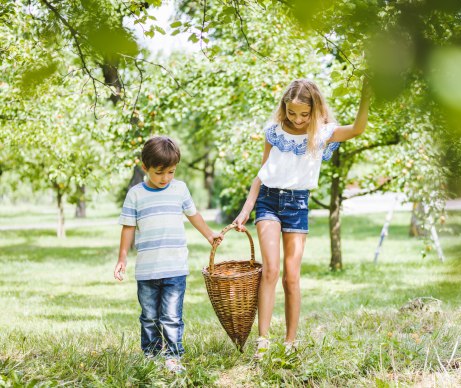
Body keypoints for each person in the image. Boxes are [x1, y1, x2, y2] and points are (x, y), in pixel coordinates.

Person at [234, 78, 371, 359]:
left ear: (315, 110)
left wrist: (366, 96)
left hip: (297, 205)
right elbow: (263, 171)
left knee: (291, 277)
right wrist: (247, 207)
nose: (297, 119)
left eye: (304, 114)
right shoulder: (273, 131)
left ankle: (290, 341)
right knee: (270, 270)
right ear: (284, 108)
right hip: (268, 200)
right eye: (291, 112)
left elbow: (357, 129)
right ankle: (263, 341)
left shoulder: (322, 134)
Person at [114, 136, 222, 373]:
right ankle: (151, 355)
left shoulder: (180, 189)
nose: (165, 178)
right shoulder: (135, 194)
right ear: (145, 168)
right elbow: (128, 227)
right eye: (159, 172)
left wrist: (210, 235)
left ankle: (173, 356)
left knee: (172, 317)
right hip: (147, 270)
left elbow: (194, 215)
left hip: (175, 267)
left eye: (171, 172)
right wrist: (122, 258)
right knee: (150, 317)